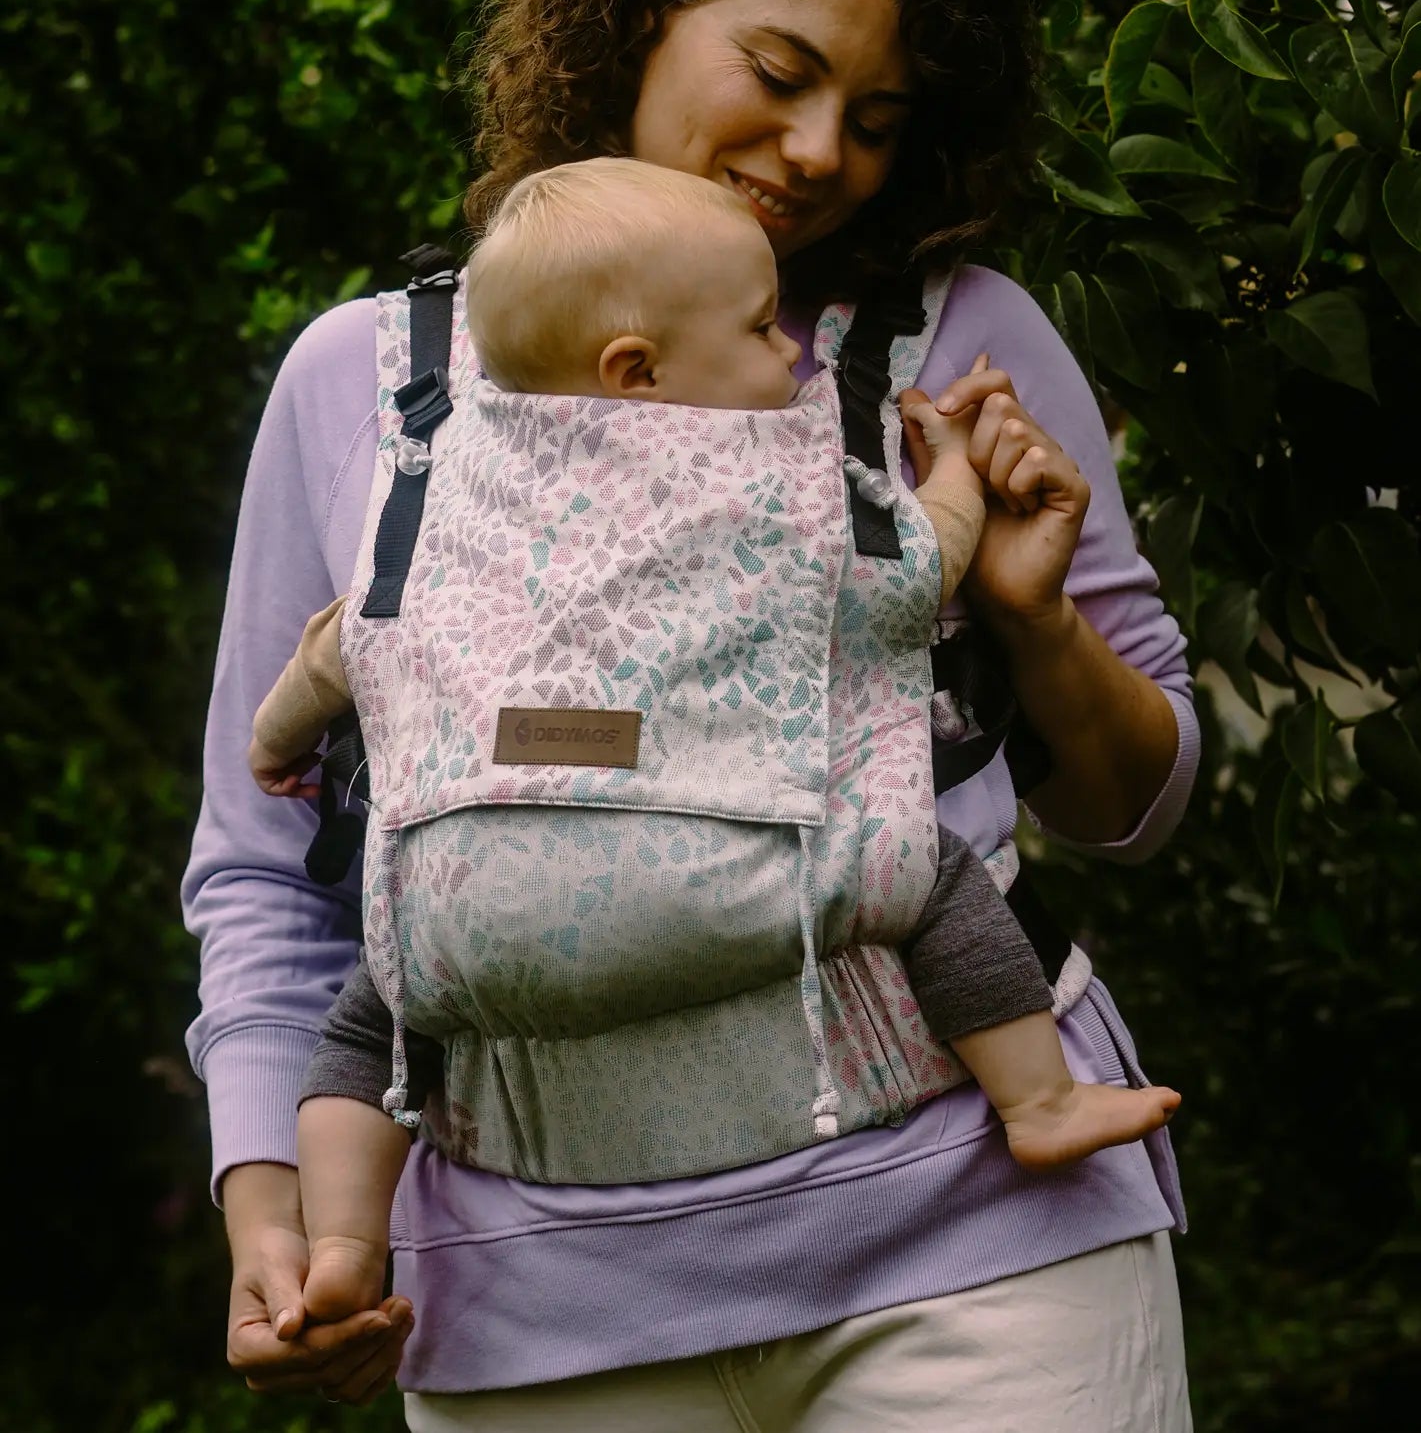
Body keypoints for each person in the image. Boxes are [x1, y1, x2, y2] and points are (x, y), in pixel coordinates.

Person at [185, 0, 1197, 1428]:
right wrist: (275, 1208)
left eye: (876, 118)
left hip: (978, 1242)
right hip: (529, 1293)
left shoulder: (962, 352)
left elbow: (1139, 806)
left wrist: (1034, 624)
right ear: (642, 10)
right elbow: (266, 853)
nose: (817, 155)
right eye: (783, 75)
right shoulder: (363, 384)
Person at [244, 157, 1180, 1327]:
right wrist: (945, 480)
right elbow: (911, 572)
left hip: (477, 904)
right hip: (743, 883)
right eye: (754, 327)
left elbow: (336, 649)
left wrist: (275, 745)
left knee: (374, 1008)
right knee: (927, 872)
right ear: (636, 371)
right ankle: (1039, 1100)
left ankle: (341, 1237)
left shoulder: (428, 499)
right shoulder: (769, 489)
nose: (786, 354)